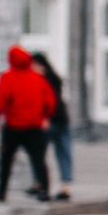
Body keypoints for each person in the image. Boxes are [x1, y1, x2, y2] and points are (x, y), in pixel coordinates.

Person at [0, 45, 56, 202]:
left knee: (6, 160)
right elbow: (50, 100)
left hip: (13, 127)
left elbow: (1, 100)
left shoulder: (8, 77)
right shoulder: (38, 78)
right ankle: (44, 191)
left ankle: (1, 192)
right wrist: (46, 117)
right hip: (35, 127)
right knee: (38, 160)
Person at [34, 50, 75, 202]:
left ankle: (40, 184)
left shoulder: (41, 78)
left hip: (49, 121)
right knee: (64, 153)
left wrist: (43, 118)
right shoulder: (55, 77)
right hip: (63, 119)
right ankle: (65, 186)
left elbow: (46, 102)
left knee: (38, 155)